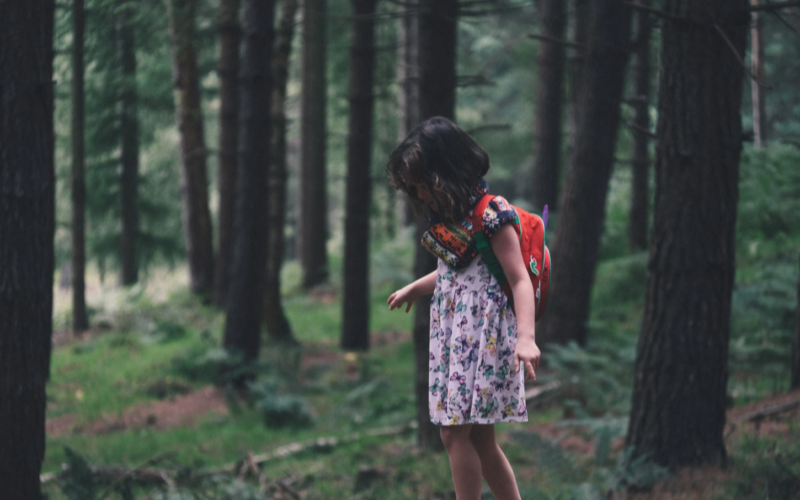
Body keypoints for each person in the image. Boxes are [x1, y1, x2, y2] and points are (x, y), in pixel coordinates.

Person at [386, 116, 541, 500]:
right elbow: (456, 275)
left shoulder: (491, 216)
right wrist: (416, 289)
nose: (420, 196)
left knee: (453, 433)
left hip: (484, 339)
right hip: (458, 338)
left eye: (422, 186)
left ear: (446, 174)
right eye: (414, 188)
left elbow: (519, 279)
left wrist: (526, 338)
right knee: (481, 440)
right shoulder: (451, 220)